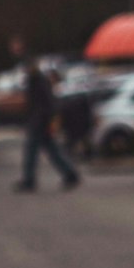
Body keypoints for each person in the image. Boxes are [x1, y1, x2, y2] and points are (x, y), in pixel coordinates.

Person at [14, 58, 81, 191]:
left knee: (32, 152)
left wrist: (48, 120)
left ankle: (29, 180)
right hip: (39, 121)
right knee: (52, 151)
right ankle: (70, 174)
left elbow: (47, 103)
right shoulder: (35, 81)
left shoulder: (38, 81)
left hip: (39, 122)